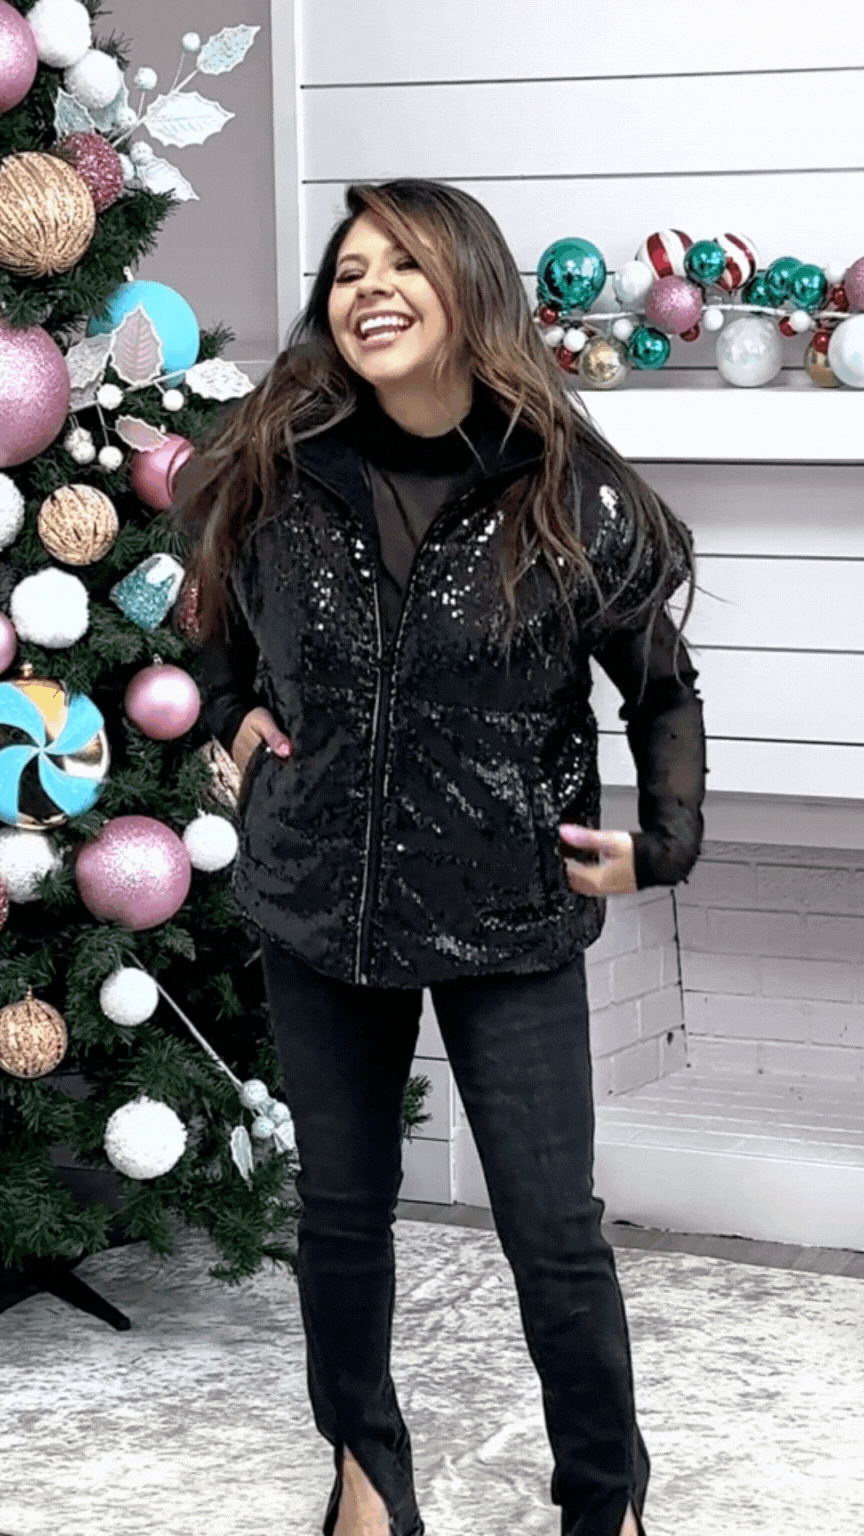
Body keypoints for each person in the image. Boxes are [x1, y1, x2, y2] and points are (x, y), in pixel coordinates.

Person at [178, 179, 706, 1536]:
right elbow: (210, 607)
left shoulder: (568, 488)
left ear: (470, 287)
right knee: (344, 1212)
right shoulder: (277, 467)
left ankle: (607, 1500)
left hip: (507, 911)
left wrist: (661, 845)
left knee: (553, 1228)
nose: (372, 289)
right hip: (319, 901)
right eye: (351, 270)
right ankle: (365, 1470)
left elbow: (661, 689)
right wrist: (232, 708)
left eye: (404, 263)